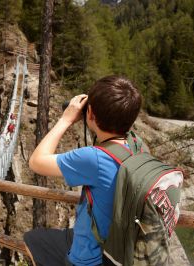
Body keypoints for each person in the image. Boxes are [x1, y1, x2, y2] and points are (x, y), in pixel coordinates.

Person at [24, 75, 142, 266]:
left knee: (34, 238)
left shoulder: (94, 158)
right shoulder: (138, 145)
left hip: (88, 258)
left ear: (91, 114)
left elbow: (36, 162)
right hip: (120, 251)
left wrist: (66, 119)